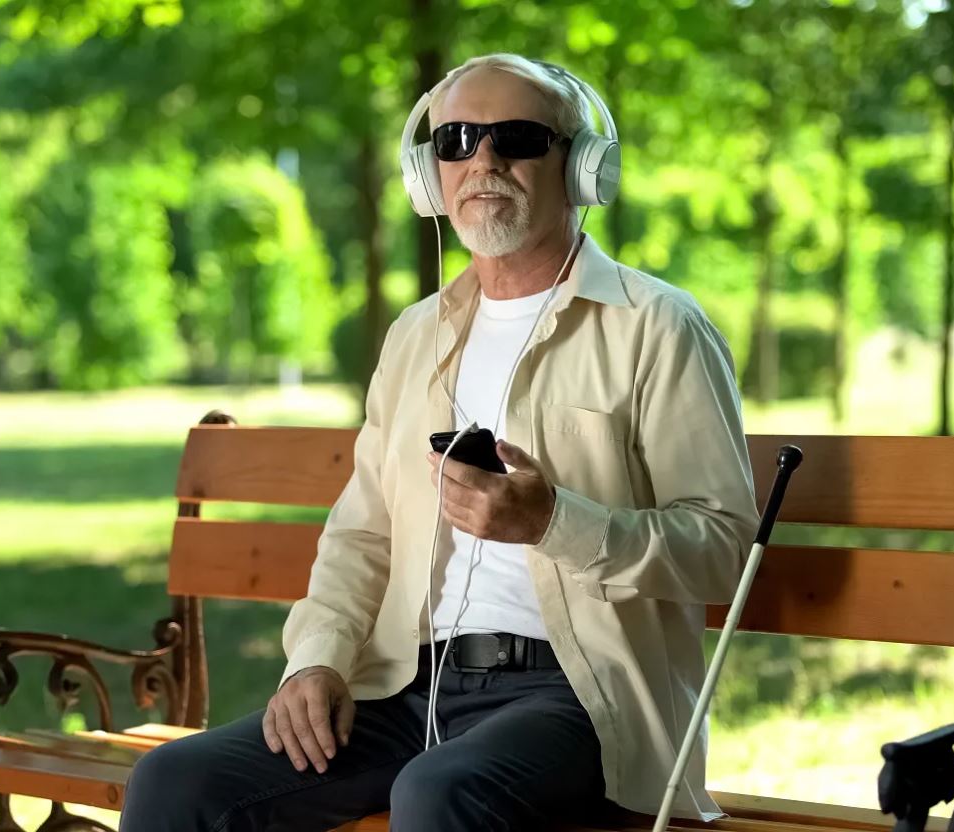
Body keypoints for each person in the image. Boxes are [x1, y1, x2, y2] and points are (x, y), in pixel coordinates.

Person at [119, 52, 759, 832]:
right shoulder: (416, 336)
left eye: (518, 138)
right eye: (455, 140)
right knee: (174, 782)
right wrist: (318, 658)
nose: (481, 159)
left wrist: (553, 521)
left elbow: (722, 547)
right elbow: (364, 531)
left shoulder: (657, 327)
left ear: (584, 168)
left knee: (438, 791)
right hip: (402, 687)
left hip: (582, 697)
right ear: (429, 177)